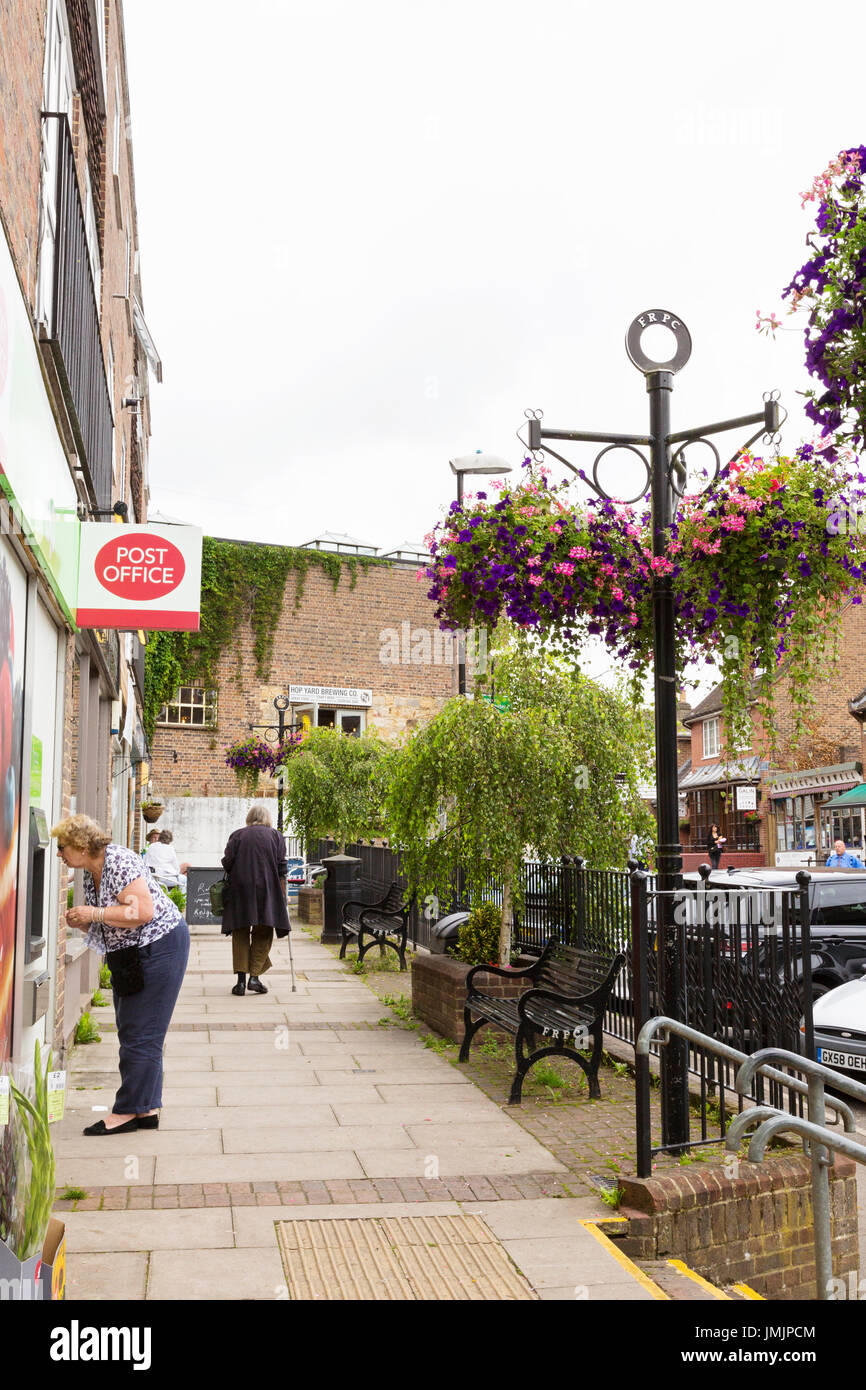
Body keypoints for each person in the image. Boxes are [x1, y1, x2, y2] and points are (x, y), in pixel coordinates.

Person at [52, 813, 189, 1135]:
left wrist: (94, 913)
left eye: (62, 847)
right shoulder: (91, 870)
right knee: (136, 1031)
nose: (59, 853)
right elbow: (117, 916)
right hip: (131, 953)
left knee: (141, 1033)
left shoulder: (118, 861)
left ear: (81, 846)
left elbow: (141, 912)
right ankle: (147, 1108)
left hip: (159, 946)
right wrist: (88, 920)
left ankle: (127, 1111)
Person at [221, 803, 290, 995]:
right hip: (267, 890)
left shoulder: (237, 835)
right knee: (264, 931)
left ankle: (241, 982)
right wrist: (284, 895)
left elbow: (227, 863)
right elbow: (282, 867)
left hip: (240, 890)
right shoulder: (276, 836)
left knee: (240, 932)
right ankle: (254, 978)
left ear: (249, 818)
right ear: (267, 818)